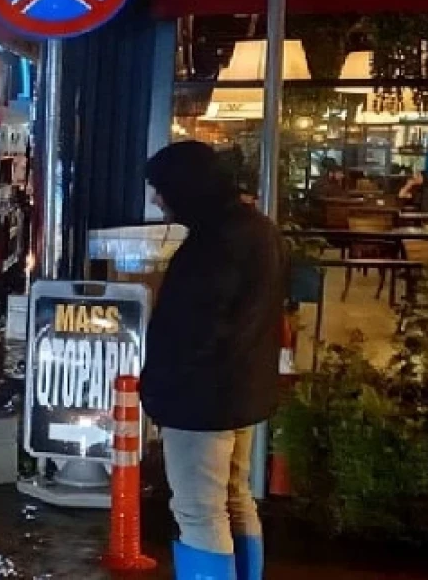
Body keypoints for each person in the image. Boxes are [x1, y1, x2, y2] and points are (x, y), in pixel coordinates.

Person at [142, 141, 284, 580]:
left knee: (199, 511)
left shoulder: (214, 243)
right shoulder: (258, 229)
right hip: (242, 391)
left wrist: (161, 388)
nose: (157, 199)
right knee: (234, 497)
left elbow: (197, 331)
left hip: (202, 401)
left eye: (162, 188)